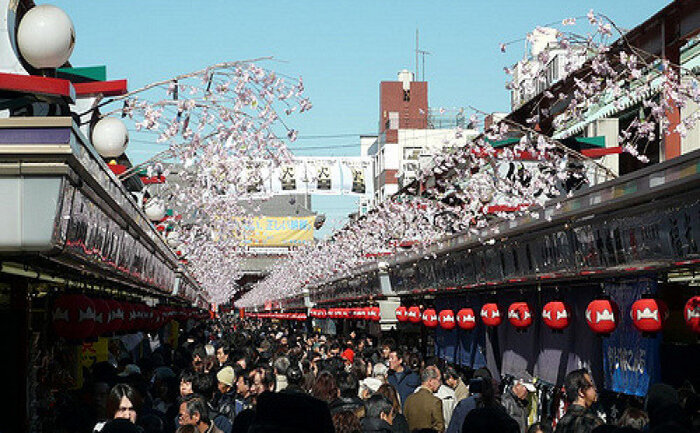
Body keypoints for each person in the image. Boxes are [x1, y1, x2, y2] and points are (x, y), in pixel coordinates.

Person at [554, 369, 603, 433]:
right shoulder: (592, 422)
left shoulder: (561, 423)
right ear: (581, 392)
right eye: (591, 386)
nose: (595, 389)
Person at [403, 366, 445, 433]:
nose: (440, 384)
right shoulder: (435, 401)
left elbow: (404, 423)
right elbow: (439, 427)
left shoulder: (409, 399)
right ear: (430, 381)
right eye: (438, 380)